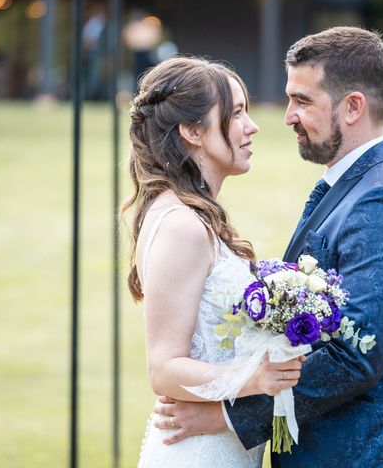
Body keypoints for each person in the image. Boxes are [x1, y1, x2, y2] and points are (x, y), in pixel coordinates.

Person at [154, 26, 383, 467]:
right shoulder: (347, 188)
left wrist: (227, 416)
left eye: (302, 101)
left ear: (353, 108)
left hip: (366, 453)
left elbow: (355, 355)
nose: (287, 115)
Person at [121, 56, 305, 468]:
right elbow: (164, 369)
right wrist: (255, 378)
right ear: (192, 131)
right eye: (236, 112)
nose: (252, 126)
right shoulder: (182, 226)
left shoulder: (193, 217)